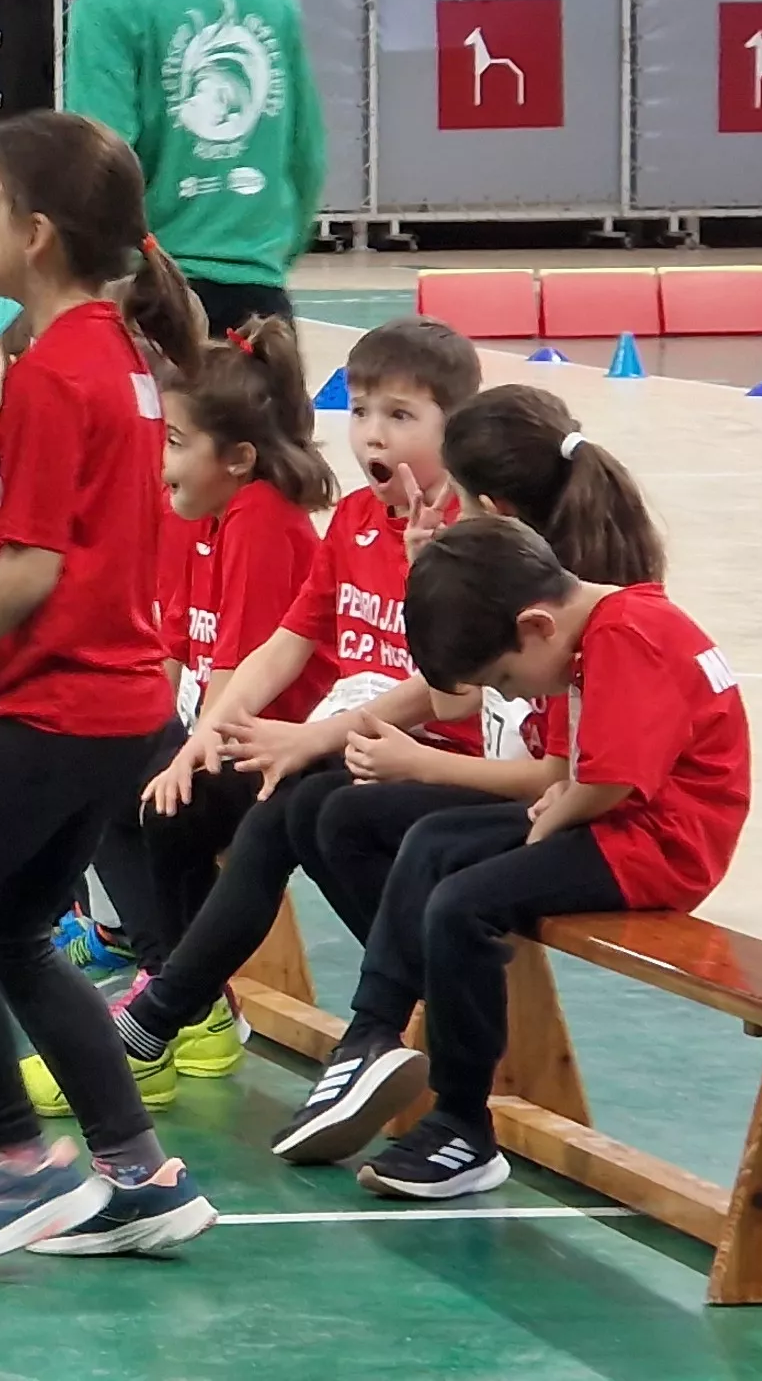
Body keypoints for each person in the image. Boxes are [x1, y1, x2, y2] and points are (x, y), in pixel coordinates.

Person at [0, 112, 217, 1275]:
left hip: (64, 708)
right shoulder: (110, 353)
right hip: (117, 705)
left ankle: (15, 1158)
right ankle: (141, 1175)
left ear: (33, 234)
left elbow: (36, 573)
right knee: (15, 931)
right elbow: (60, 534)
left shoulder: (51, 372)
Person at [270, 515, 749, 1200]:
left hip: (659, 845)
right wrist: (562, 803)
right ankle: (374, 1031)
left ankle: (464, 1125)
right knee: (426, 840)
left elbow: (611, 782)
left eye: (502, 676)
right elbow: (590, 779)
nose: (512, 695)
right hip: (612, 817)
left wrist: (559, 808)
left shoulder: (627, 634)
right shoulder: (593, 630)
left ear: (536, 627)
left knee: (461, 904)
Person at [111, 319, 482, 1098]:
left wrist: (310, 739)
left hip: (435, 757)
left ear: (456, 427)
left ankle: (163, 1015)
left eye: (400, 416)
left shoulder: (466, 539)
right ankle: (188, 1006)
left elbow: (448, 689)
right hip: (345, 744)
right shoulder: (352, 521)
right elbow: (284, 642)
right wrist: (204, 737)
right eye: (362, 411)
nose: (373, 433)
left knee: (290, 805)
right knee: (177, 800)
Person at [83, 314, 333, 1025]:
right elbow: (174, 649)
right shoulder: (200, 513)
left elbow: (240, 672)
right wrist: (142, 730)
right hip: (220, 726)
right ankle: (170, 980)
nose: (160, 458)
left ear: (239, 459)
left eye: (175, 441)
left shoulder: (262, 521)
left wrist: (181, 756)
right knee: (98, 765)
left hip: (272, 740)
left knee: (168, 804)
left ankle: (180, 995)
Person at [60, 0, 327, 330]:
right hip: (261, 292)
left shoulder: (108, 4)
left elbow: (99, 162)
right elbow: (306, 153)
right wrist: (270, 254)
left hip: (154, 292)